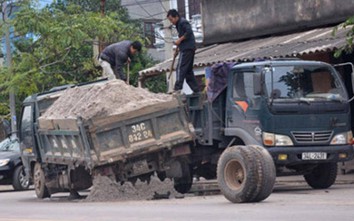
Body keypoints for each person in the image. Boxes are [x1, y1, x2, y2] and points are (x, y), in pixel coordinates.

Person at [167, 9, 200, 93]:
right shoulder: (178, 24)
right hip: (188, 48)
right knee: (188, 71)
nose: (171, 22)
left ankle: (177, 88)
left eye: (171, 19)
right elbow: (183, 37)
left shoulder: (182, 22)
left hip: (187, 48)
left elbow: (188, 32)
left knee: (180, 68)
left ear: (176, 16)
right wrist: (178, 48)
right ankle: (196, 90)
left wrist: (179, 40)